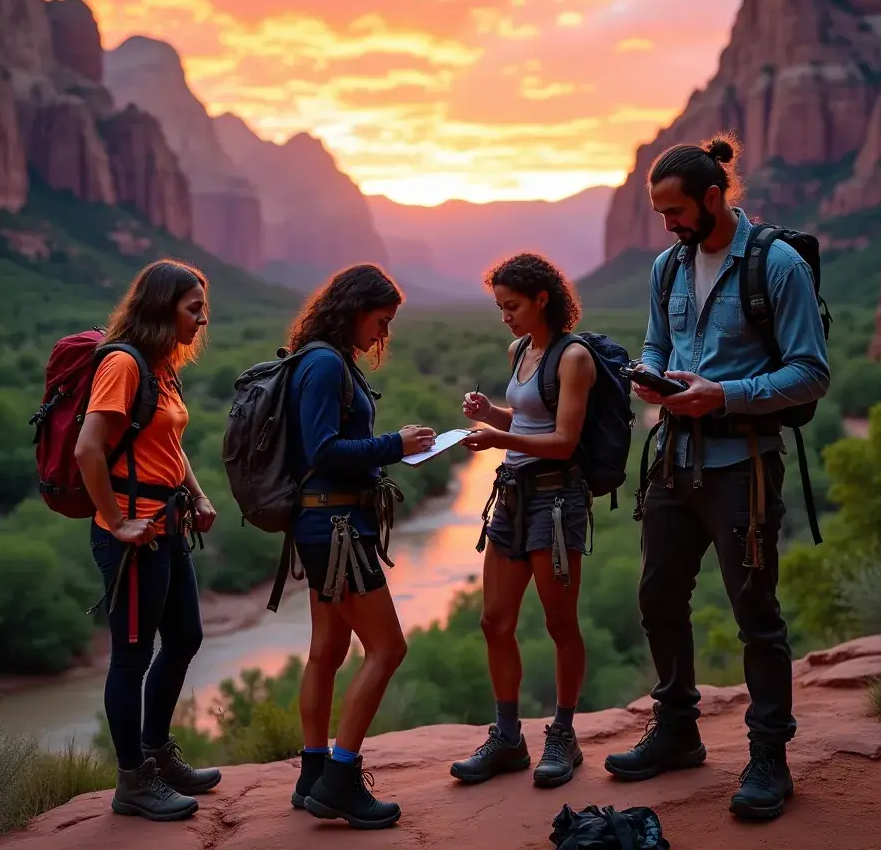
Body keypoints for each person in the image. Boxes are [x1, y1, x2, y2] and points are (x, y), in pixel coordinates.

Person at [602, 135, 829, 822]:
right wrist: (652, 379)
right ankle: (677, 731)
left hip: (743, 468)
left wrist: (722, 395)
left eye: (674, 211)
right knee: (657, 598)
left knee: (756, 615)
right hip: (673, 460)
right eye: (657, 213)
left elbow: (810, 372)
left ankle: (769, 758)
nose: (666, 226)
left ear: (712, 197)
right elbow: (655, 342)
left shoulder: (778, 264)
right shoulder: (668, 267)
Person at [285, 264, 436, 830]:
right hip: (338, 531)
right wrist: (395, 444)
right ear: (355, 308)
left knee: (327, 648)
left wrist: (384, 445)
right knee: (389, 649)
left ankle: (312, 772)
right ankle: (341, 780)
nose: (382, 334)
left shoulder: (321, 358)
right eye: (380, 320)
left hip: (323, 527)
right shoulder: (326, 363)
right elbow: (322, 451)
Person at [75, 259, 221, 822]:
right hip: (134, 536)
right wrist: (115, 521)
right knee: (131, 659)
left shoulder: (162, 368)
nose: (202, 320)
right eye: (193, 309)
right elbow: (89, 449)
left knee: (185, 636)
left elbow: (169, 447)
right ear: (162, 307)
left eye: (202, 308)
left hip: (167, 524)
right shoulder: (123, 364)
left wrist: (200, 496)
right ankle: (132, 782)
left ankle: (158, 754)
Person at [449, 253, 596, 790]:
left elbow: (563, 441)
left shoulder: (573, 356)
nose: (505, 317)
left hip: (556, 503)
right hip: (511, 496)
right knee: (494, 621)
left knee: (560, 624)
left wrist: (499, 439)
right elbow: (531, 417)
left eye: (512, 306)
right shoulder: (520, 350)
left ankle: (564, 735)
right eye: (498, 307)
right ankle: (508, 737)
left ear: (542, 299)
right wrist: (492, 415)